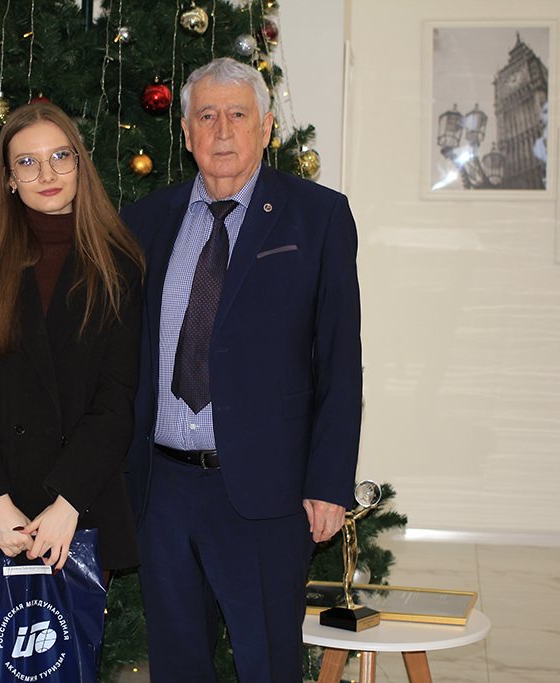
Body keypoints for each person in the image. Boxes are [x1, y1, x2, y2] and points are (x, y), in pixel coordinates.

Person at [120, 57, 362, 682]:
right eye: (206, 116)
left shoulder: (318, 216)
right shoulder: (145, 221)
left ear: (267, 126)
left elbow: (341, 359)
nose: (222, 131)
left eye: (237, 114)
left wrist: (330, 482)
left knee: (267, 666)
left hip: (265, 492)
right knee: (177, 666)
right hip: (163, 491)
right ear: (185, 132)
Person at [0, 101, 145, 574]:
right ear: (9, 179)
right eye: (27, 162)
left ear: (79, 164)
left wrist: (67, 503)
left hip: (81, 507)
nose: (47, 173)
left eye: (60, 156)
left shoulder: (120, 264)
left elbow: (117, 400)